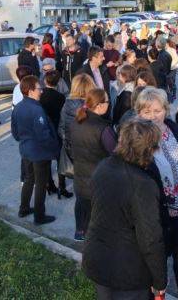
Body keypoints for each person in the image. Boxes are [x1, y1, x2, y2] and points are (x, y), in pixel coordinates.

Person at [82, 118, 167, 300]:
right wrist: (160, 282)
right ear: (149, 149)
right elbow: (151, 240)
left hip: (98, 260)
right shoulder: (142, 185)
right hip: (128, 273)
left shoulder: (103, 167)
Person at [136, 87, 178, 300]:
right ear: (139, 113)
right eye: (147, 111)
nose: (153, 116)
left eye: (157, 110)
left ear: (166, 109)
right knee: (154, 274)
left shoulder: (175, 130)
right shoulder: (136, 142)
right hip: (157, 220)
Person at [11, 75, 60, 225]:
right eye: (39, 89)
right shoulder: (37, 110)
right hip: (39, 153)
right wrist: (55, 149)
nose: (41, 91)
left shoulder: (18, 107)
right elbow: (43, 135)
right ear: (31, 91)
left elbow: (15, 132)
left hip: (26, 151)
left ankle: (24, 208)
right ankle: (39, 216)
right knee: (40, 183)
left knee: (28, 180)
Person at [69, 88, 117, 241]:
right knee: (98, 209)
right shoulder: (103, 128)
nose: (109, 104)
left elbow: (69, 146)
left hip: (80, 174)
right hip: (99, 178)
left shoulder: (76, 122)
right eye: (108, 102)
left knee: (82, 204)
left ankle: (80, 232)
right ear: (99, 105)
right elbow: (115, 152)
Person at [58, 73, 96, 199]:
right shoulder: (90, 107)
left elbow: (61, 127)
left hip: (71, 147)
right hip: (87, 151)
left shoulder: (66, 104)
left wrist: (67, 141)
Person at [40, 70, 67, 197]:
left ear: (45, 81)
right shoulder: (60, 97)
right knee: (60, 159)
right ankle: (62, 186)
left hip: (45, 129)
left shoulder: (41, 95)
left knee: (47, 159)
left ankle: (49, 184)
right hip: (57, 129)